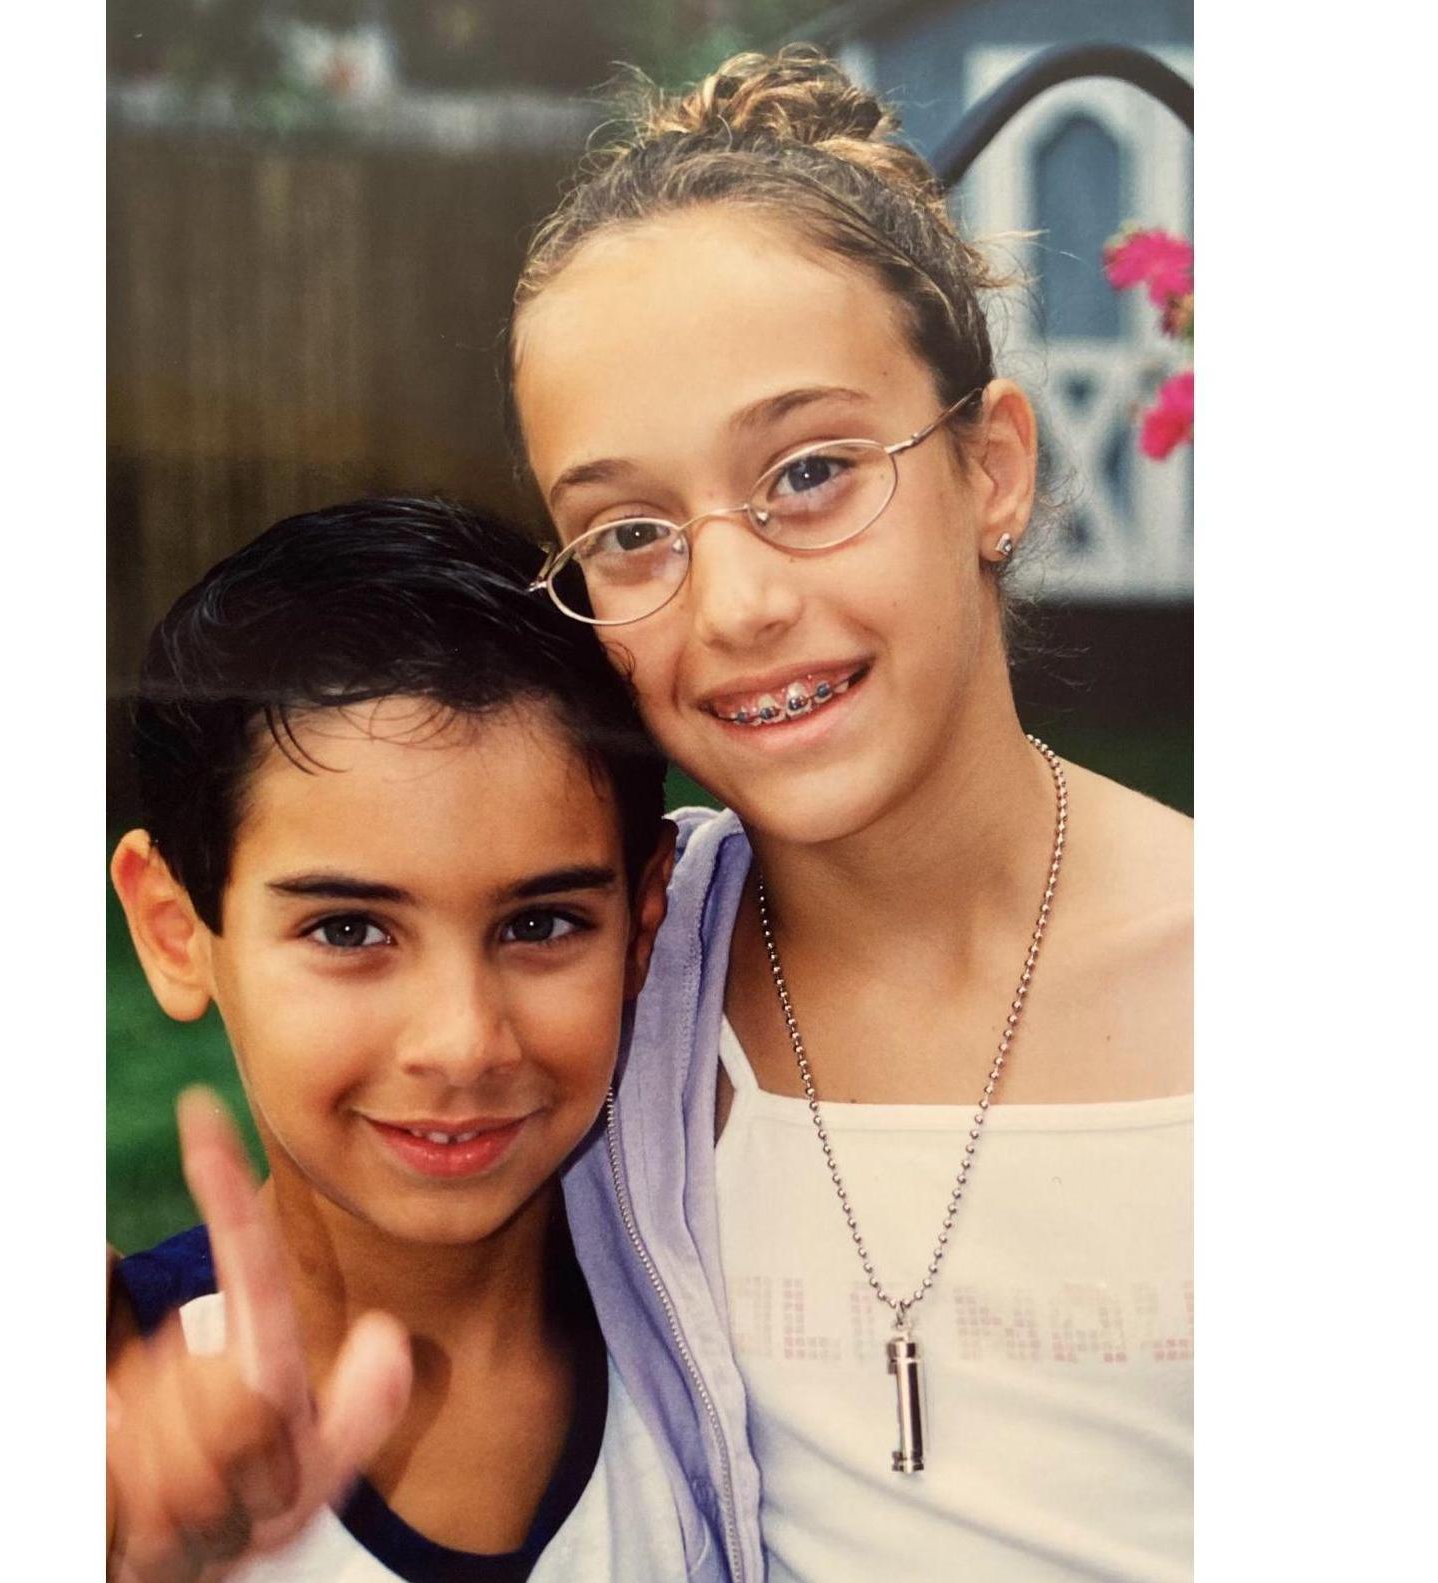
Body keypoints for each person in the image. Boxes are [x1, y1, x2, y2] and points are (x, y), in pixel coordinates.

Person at [506, 45, 1194, 1583]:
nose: (738, 601)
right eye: (627, 531)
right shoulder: (610, 970)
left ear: (990, 469)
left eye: (810, 472)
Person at [105, 497, 696, 1582]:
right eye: (348, 929)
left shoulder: (727, 1359)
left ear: (641, 920)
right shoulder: (104, 1405)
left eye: (541, 923)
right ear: (175, 928)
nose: (463, 1041)